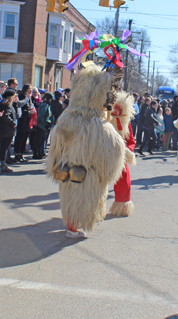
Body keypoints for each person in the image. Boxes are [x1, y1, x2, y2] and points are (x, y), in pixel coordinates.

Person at [46, 65, 126, 238]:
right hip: (84, 171)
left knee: (69, 197)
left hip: (65, 166)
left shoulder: (66, 118)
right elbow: (114, 150)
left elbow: (55, 147)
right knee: (82, 198)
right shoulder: (97, 125)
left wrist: (55, 164)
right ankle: (73, 228)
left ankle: (71, 225)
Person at [108, 91, 137, 217]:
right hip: (105, 154)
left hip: (121, 156)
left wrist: (128, 151)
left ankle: (121, 206)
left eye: (120, 108)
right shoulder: (105, 121)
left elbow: (131, 140)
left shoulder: (126, 124)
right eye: (115, 108)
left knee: (124, 181)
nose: (117, 111)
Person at [0, 89, 17, 173]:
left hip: (2, 129)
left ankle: (3, 164)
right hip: (7, 130)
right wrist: (13, 123)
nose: (16, 98)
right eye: (14, 96)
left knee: (3, 148)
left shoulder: (2, 104)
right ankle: (3, 165)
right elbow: (6, 116)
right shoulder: (8, 105)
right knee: (4, 148)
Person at [14, 84, 35, 162]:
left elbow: (29, 106)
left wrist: (32, 111)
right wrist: (29, 112)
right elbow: (20, 107)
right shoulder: (21, 96)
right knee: (20, 138)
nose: (30, 90)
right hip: (22, 121)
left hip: (28, 121)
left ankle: (21, 154)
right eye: (30, 88)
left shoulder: (28, 98)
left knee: (25, 138)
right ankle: (16, 154)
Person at [33, 92, 53, 159]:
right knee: (39, 140)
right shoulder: (45, 105)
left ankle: (39, 153)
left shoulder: (44, 104)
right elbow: (42, 115)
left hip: (42, 125)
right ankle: (36, 154)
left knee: (41, 140)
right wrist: (46, 122)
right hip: (41, 125)